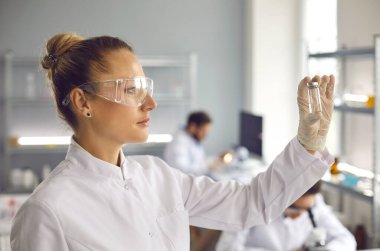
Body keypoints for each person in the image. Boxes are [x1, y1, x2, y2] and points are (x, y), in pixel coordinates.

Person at [10, 32, 335, 251]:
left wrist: (307, 144)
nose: (150, 103)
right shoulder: (47, 211)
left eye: (146, 87)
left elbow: (251, 204)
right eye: (131, 89)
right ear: (83, 103)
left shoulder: (158, 175)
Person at [216, 181, 357, 251]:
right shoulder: (252, 203)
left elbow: (347, 240)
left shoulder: (315, 204)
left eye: (306, 210)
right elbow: (226, 248)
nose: (299, 216)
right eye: (294, 208)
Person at [164, 111, 212, 176]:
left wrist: (216, 160)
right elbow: (183, 169)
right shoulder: (179, 142)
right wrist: (208, 167)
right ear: (193, 127)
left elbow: (200, 161)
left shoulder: (193, 139)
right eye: (203, 130)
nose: (205, 134)